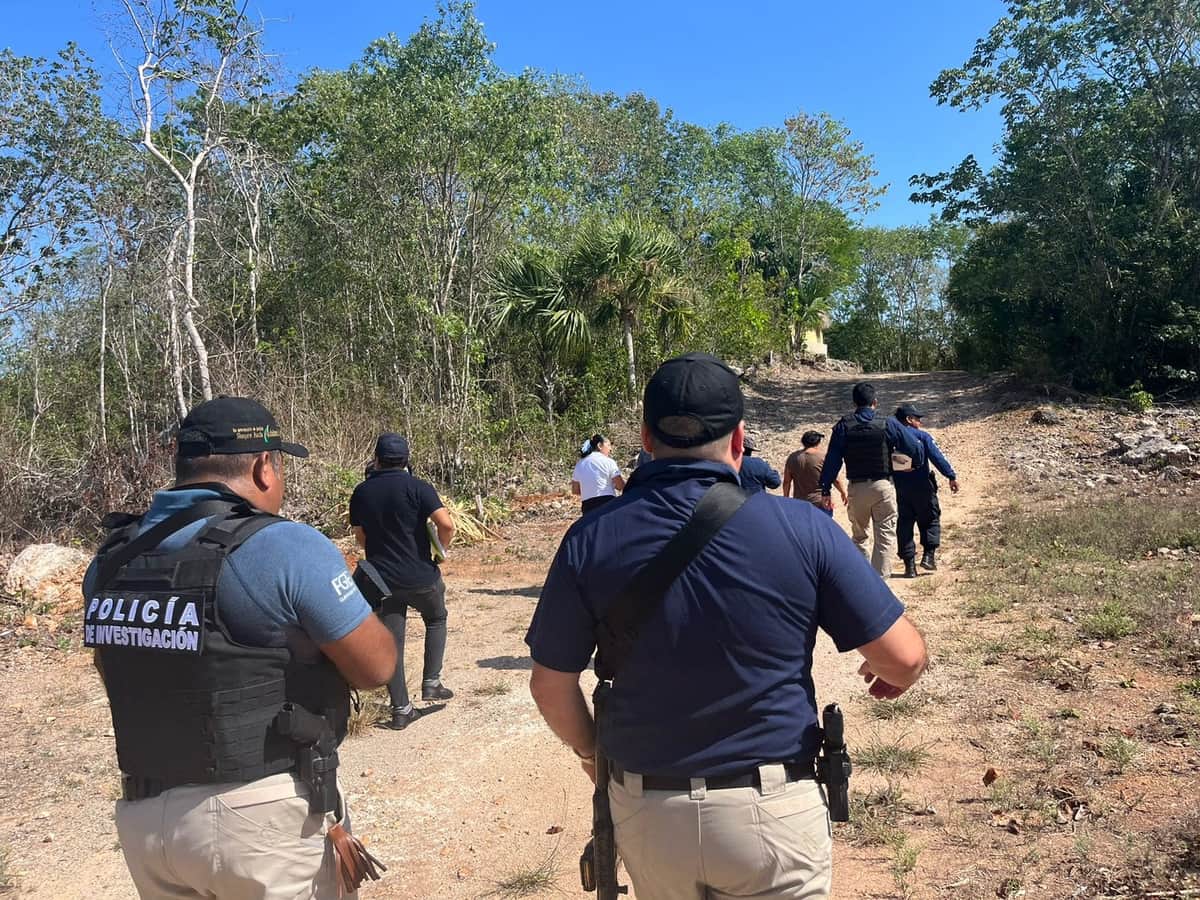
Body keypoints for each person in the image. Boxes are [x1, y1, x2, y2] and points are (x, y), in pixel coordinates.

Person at [525, 352, 929, 900]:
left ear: (646, 438)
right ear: (739, 440)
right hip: (772, 806)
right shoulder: (803, 529)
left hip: (649, 808)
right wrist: (894, 672)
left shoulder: (590, 539)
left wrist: (594, 756)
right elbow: (903, 658)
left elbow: (550, 685)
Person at [83, 396, 397, 900]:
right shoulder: (283, 546)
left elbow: (117, 670)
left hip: (145, 820)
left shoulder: (112, 559)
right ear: (263, 467)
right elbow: (375, 666)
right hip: (258, 817)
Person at [350, 433, 457, 730]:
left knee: (392, 643)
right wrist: (440, 551)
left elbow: (361, 537)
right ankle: (432, 682)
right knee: (436, 618)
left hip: (382, 581)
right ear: (407, 459)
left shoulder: (362, 492)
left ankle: (401, 710)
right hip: (421, 575)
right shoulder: (418, 487)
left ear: (377, 459)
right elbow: (446, 524)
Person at [819, 382, 923, 577]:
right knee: (885, 536)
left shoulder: (843, 426)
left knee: (860, 537)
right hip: (883, 485)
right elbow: (914, 447)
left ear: (854, 403)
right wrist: (911, 465)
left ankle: (863, 581)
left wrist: (825, 489)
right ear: (875, 402)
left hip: (857, 489)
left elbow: (832, 460)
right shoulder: (887, 423)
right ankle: (880, 583)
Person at [893, 403, 960, 577]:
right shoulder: (922, 437)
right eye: (917, 419)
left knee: (905, 524)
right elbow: (937, 457)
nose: (920, 422)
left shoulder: (891, 439)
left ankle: (909, 566)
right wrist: (951, 475)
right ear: (909, 419)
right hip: (923, 486)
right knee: (930, 519)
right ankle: (928, 557)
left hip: (900, 489)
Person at [783, 430, 847, 516]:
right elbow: (835, 479)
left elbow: (786, 482)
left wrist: (786, 499)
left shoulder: (792, 458)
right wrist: (843, 492)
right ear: (818, 442)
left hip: (800, 503)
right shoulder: (823, 457)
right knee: (823, 528)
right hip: (821, 501)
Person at [571, 433, 625, 515]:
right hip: (607, 503)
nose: (611, 449)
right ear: (600, 445)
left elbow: (575, 490)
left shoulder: (580, 464)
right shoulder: (608, 461)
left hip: (587, 506)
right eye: (609, 445)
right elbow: (620, 486)